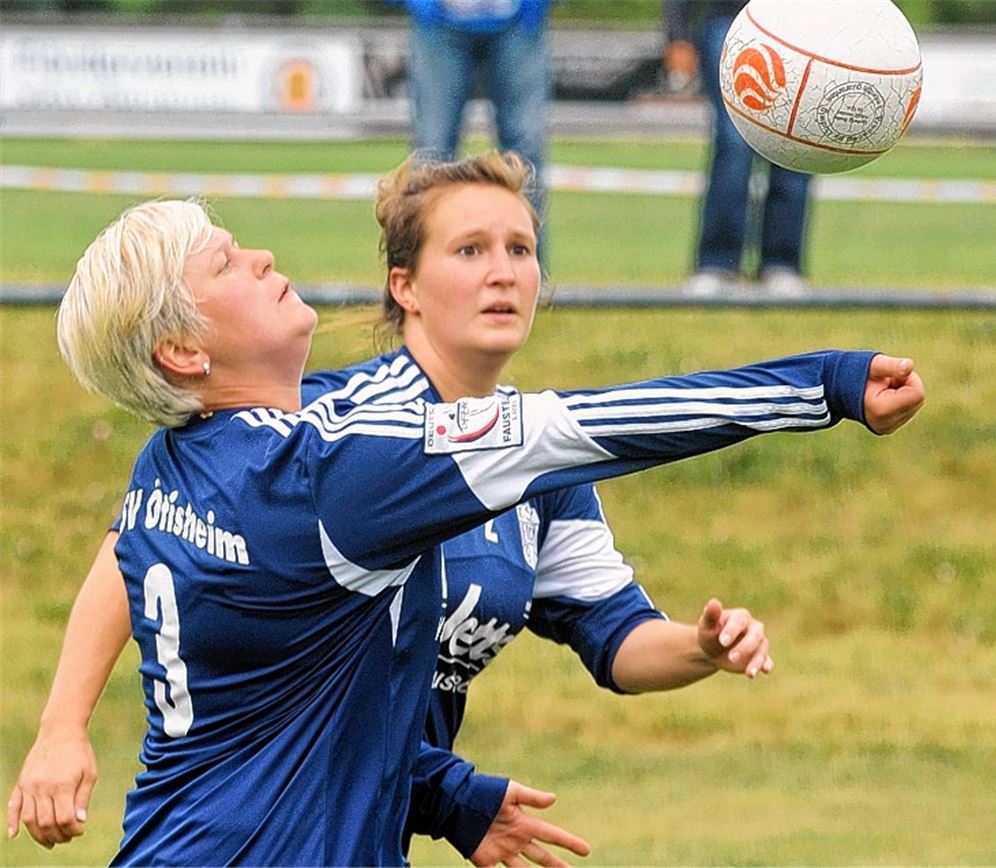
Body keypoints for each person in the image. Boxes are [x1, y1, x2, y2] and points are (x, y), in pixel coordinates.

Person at [7, 153, 923, 865]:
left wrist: (441, 794)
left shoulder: (177, 458)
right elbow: (599, 423)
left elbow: (283, 693)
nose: (265, 254)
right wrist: (825, 382)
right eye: (228, 263)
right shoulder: (335, 472)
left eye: (522, 247)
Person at [663, 0, 813, 297]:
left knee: (795, 143)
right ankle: (717, 263)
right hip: (731, 21)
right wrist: (677, 33)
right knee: (733, 145)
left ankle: (781, 264)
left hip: (803, 26)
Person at [400, 0, 552, 230]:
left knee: (526, 154)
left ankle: (526, 261)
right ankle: (423, 260)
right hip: (441, 22)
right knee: (431, 155)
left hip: (517, 22)